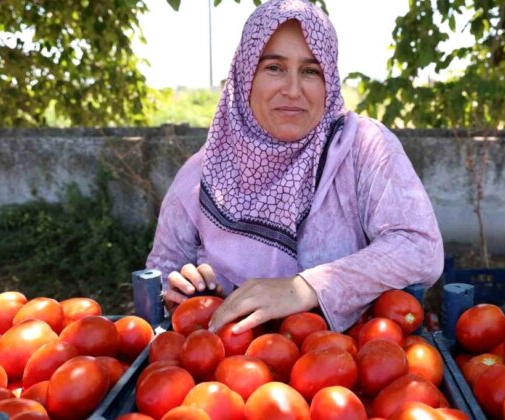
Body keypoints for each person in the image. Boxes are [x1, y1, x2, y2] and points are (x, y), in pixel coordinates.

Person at [146, 0, 444, 335]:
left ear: (329, 81)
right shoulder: (201, 174)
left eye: (310, 71)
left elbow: (419, 248)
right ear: (246, 75)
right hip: (231, 373)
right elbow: (161, 275)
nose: (292, 89)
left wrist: (305, 288)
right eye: (274, 67)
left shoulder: (363, 148)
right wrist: (186, 293)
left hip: (345, 368)